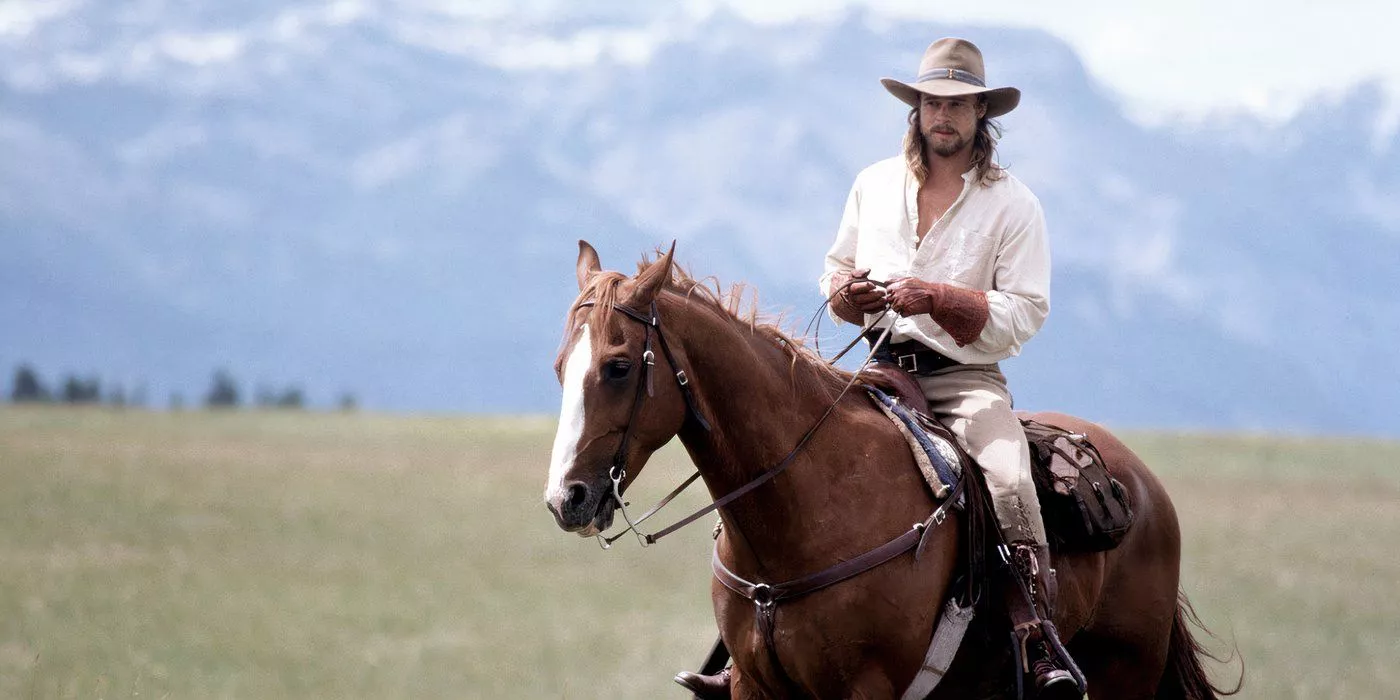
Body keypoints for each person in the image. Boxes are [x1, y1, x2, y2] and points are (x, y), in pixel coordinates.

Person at [676, 37, 1080, 699]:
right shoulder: (873, 184)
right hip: (873, 371)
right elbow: (835, 272)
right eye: (930, 102)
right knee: (773, 472)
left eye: (957, 104)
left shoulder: (1015, 205)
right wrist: (848, 296)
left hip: (963, 381)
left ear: (982, 113)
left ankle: (1035, 634)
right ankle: (741, 650)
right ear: (915, 109)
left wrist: (941, 298)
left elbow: (1027, 313)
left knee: (1008, 478)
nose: (941, 115)